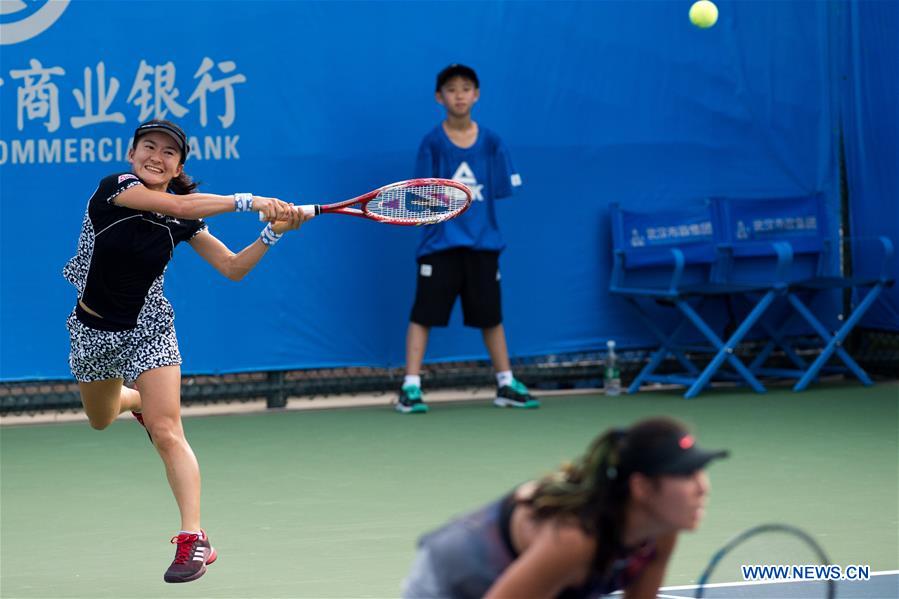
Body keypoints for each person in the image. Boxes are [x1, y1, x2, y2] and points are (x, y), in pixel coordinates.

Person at [62, 118, 309, 583]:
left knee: (167, 429)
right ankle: (135, 400)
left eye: (168, 152)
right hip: (94, 331)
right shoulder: (115, 188)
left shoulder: (184, 219)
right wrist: (251, 200)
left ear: (178, 167)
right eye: (148, 147)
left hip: (151, 327)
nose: (156, 157)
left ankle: (193, 538)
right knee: (101, 417)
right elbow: (179, 203)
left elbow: (232, 267)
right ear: (132, 155)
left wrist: (273, 232)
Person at [401, 417, 728, 598]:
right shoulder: (575, 539)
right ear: (642, 488)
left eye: (701, 472)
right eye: (686, 475)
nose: (703, 487)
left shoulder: (661, 530)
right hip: (449, 582)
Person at [397, 64, 537, 414]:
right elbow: (420, 195)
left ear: (476, 95)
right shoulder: (432, 143)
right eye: (451, 89)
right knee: (423, 315)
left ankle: (506, 383)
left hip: (483, 246)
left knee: (491, 317)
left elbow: (500, 189)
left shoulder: (492, 143)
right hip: (439, 246)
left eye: (465, 88)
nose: (458, 95)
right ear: (439, 97)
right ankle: (410, 387)